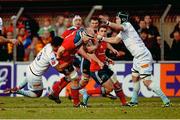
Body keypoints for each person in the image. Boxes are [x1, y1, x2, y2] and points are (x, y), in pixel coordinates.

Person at [99, 11, 171, 107]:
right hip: (137, 57)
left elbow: (118, 27)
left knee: (146, 82)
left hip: (143, 56)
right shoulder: (123, 31)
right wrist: (102, 39)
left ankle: (166, 101)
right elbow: (115, 40)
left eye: (117, 18)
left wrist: (107, 22)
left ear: (122, 19)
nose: (116, 20)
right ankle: (134, 101)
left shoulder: (126, 25)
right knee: (135, 78)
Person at [80, 25, 128, 106]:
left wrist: (107, 59)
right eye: (101, 31)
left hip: (104, 67)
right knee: (109, 89)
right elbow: (90, 53)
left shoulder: (104, 41)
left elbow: (101, 54)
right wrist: (99, 61)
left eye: (105, 31)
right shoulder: (93, 41)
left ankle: (124, 103)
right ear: (98, 32)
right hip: (96, 70)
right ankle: (87, 92)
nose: (103, 33)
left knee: (117, 85)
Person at [48, 28, 96, 107]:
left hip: (67, 58)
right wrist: (59, 59)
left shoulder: (81, 35)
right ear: (84, 36)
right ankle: (76, 103)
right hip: (63, 60)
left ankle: (55, 94)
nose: (89, 41)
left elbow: (78, 48)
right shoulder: (74, 41)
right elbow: (60, 50)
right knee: (75, 79)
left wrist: (88, 58)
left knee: (69, 78)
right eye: (88, 39)